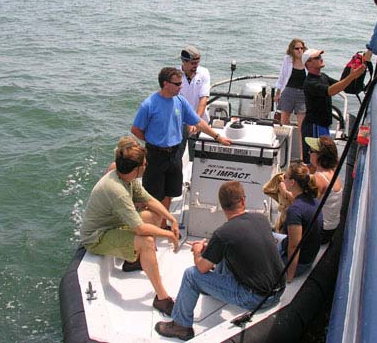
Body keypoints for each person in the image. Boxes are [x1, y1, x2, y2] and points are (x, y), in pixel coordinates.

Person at [155, 181, 285, 341]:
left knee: (191, 275)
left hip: (256, 298)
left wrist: (197, 252)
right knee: (223, 251)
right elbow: (243, 242)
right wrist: (211, 247)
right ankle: (215, 290)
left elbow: (202, 268)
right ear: (243, 201)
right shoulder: (261, 219)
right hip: (278, 291)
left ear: (222, 206)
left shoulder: (223, 234)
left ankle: (181, 326)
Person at [79, 137, 180, 315]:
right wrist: (169, 235)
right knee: (146, 241)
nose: (147, 165)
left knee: (155, 215)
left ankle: (133, 261)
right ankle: (162, 298)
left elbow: (148, 199)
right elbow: (140, 229)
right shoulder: (116, 190)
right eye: (145, 163)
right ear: (137, 169)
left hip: (113, 224)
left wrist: (171, 219)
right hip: (97, 237)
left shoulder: (128, 179)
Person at [131, 67, 232, 228]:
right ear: (165, 84)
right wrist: (152, 141)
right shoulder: (149, 105)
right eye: (177, 84)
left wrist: (217, 137)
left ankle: (162, 224)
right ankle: (148, 226)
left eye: (181, 83)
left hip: (175, 153)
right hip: (155, 155)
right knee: (152, 195)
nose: (181, 86)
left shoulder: (180, 101)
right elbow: (136, 129)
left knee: (169, 192)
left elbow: (198, 122)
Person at [302, 48, 366, 162]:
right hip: (314, 126)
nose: (321, 59)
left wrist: (355, 75)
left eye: (320, 57)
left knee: (322, 159)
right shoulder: (309, 83)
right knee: (314, 161)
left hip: (323, 125)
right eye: (317, 58)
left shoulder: (323, 76)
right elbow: (330, 91)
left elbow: (342, 86)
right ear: (308, 63)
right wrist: (351, 77)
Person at [277, 163, 322, 283]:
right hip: (308, 258)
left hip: (299, 265)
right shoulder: (313, 200)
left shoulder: (295, 210)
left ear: (292, 183)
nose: (282, 178)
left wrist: (289, 276)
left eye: (285, 177)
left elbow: (294, 246)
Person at [275, 38, 308, 160]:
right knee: (284, 125)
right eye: (297, 48)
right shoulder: (287, 60)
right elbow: (282, 77)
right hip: (288, 92)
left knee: (302, 128)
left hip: (302, 95)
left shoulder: (307, 60)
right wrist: (278, 93)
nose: (300, 50)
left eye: (301, 48)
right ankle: (281, 155)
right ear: (292, 50)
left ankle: (302, 157)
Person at [306, 136, 342, 243]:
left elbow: (307, 208)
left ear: (319, 156)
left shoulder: (319, 179)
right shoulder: (333, 172)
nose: (308, 153)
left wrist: (285, 190)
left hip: (321, 232)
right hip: (330, 229)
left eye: (311, 151)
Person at [178, 45, 211, 158]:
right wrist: (188, 123)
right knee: (178, 154)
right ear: (184, 61)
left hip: (199, 119)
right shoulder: (175, 75)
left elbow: (203, 99)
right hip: (181, 122)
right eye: (193, 63)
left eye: (197, 62)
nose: (196, 66)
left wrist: (196, 121)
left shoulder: (204, 73)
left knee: (199, 156)